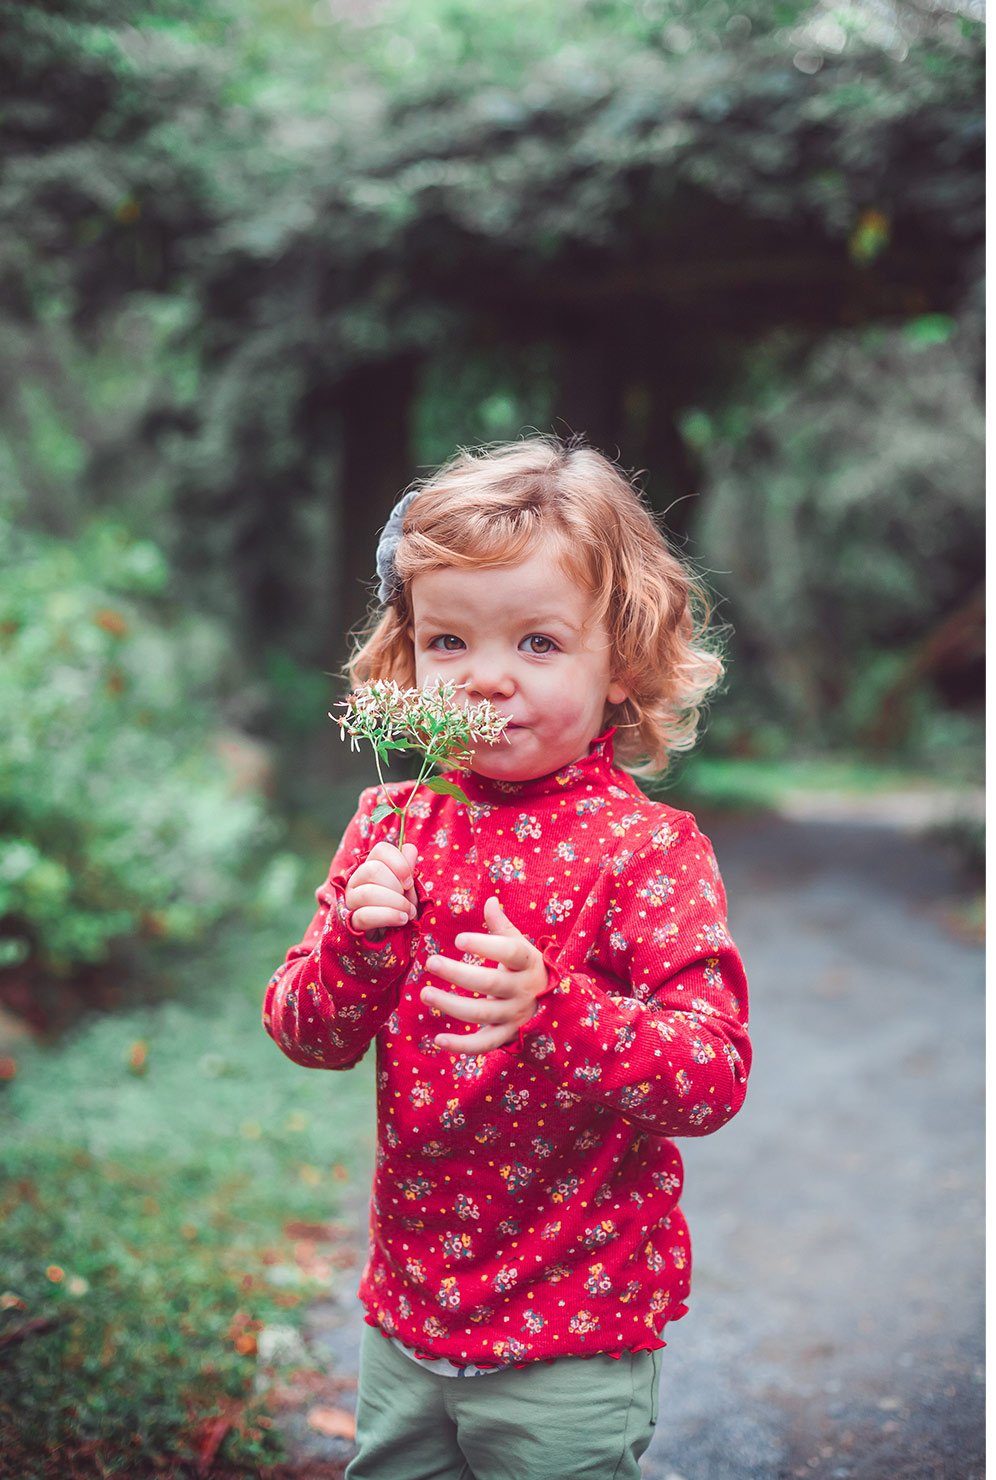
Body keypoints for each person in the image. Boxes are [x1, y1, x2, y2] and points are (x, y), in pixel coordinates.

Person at [264, 436, 751, 1479]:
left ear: (620, 659)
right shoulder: (391, 825)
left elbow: (710, 1077)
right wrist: (353, 944)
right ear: (407, 657)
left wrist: (557, 1010)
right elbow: (307, 1033)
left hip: (574, 1324)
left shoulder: (645, 853)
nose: (484, 680)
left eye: (536, 642)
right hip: (409, 1309)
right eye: (447, 643)